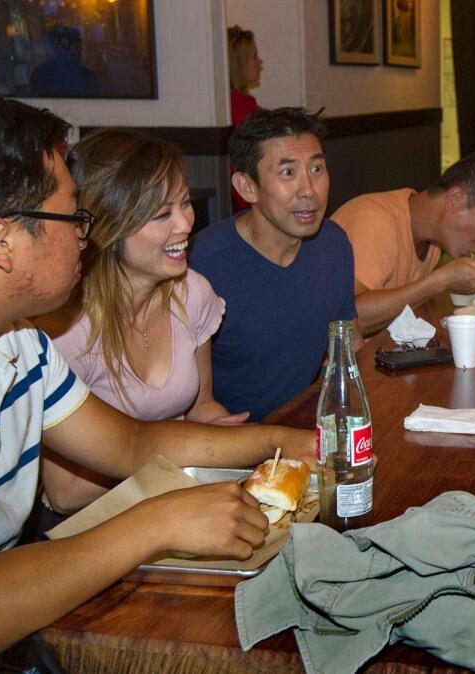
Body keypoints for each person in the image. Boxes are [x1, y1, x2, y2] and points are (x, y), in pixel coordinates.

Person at [0, 89, 314, 672]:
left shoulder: (17, 343)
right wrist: (159, 521)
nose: (85, 236)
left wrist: (292, 442)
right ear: (1, 243)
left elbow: (134, 444)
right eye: (73, 216)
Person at [36, 129, 249, 516]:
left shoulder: (192, 292)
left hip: (169, 498)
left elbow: (201, 409)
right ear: (110, 227)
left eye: (185, 204)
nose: (185, 224)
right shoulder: (67, 329)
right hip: (86, 524)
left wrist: (232, 439)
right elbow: (64, 492)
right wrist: (189, 447)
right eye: (161, 214)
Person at [189, 107, 357, 421]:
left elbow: (349, 346)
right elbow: (198, 408)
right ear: (247, 187)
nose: (309, 190)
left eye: (317, 169)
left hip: (308, 426)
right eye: (288, 173)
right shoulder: (202, 264)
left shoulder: (333, 243)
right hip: (232, 447)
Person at [332, 151, 475, 336]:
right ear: (455, 198)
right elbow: (349, 319)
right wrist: (442, 279)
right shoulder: (373, 220)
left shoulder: (433, 243)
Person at [228, 25, 264, 214]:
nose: (260, 62)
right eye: (253, 56)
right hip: (244, 195)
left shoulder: (245, 103)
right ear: (238, 63)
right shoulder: (236, 106)